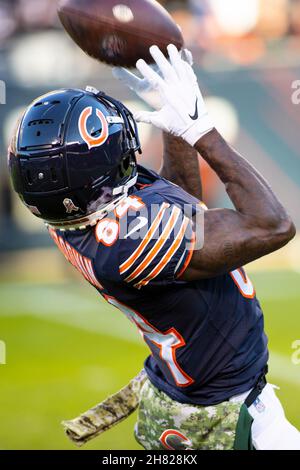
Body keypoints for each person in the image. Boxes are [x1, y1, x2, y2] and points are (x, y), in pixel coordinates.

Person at [8, 45, 300, 450]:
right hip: (227, 412)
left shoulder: (79, 211)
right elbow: (272, 224)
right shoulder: (126, 237)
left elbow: (183, 206)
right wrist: (202, 133)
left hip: (188, 388)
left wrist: (174, 124)